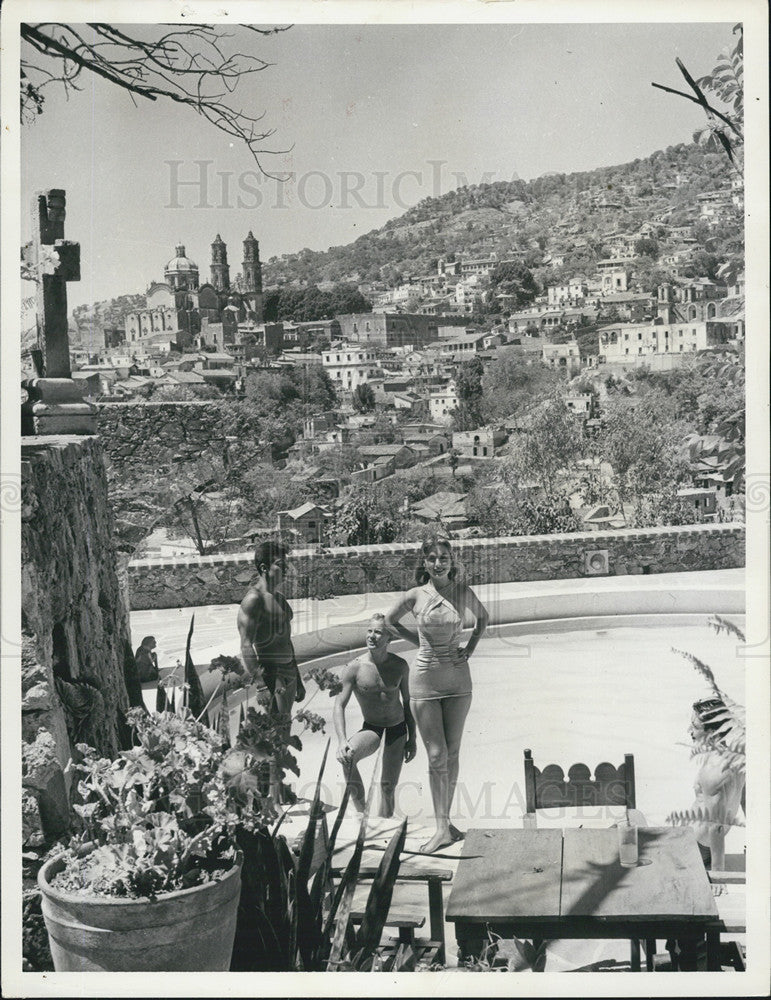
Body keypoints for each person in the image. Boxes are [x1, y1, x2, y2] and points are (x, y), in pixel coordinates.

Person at [385, 535, 489, 853]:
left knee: (453, 752)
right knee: (435, 755)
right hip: (425, 679)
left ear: (451, 560)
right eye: (432, 558)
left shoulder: (462, 592)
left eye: (444, 557)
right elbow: (389, 622)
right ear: (425, 562)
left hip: (458, 679)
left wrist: (469, 648)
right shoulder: (415, 595)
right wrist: (420, 643)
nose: (439, 562)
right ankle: (441, 827)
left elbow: (483, 618)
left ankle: (445, 824)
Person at [237, 540, 306, 797]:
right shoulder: (253, 601)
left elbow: (286, 641)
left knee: (284, 732)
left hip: (287, 672)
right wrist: (261, 684)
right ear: (265, 567)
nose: (286, 570)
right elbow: (246, 646)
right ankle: (270, 798)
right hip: (271, 674)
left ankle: (276, 786)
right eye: (281, 565)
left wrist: (297, 678)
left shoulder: (279, 598)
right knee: (274, 735)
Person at [333, 614, 417, 817]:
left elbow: (408, 703)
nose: (372, 636)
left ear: (389, 639)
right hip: (372, 728)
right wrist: (342, 740)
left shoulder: (400, 665)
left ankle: (384, 825)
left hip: (398, 729)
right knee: (348, 758)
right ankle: (363, 814)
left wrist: (412, 738)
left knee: (388, 788)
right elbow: (339, 705)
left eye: (378, 632)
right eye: (369, 631)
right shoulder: (354, 668)